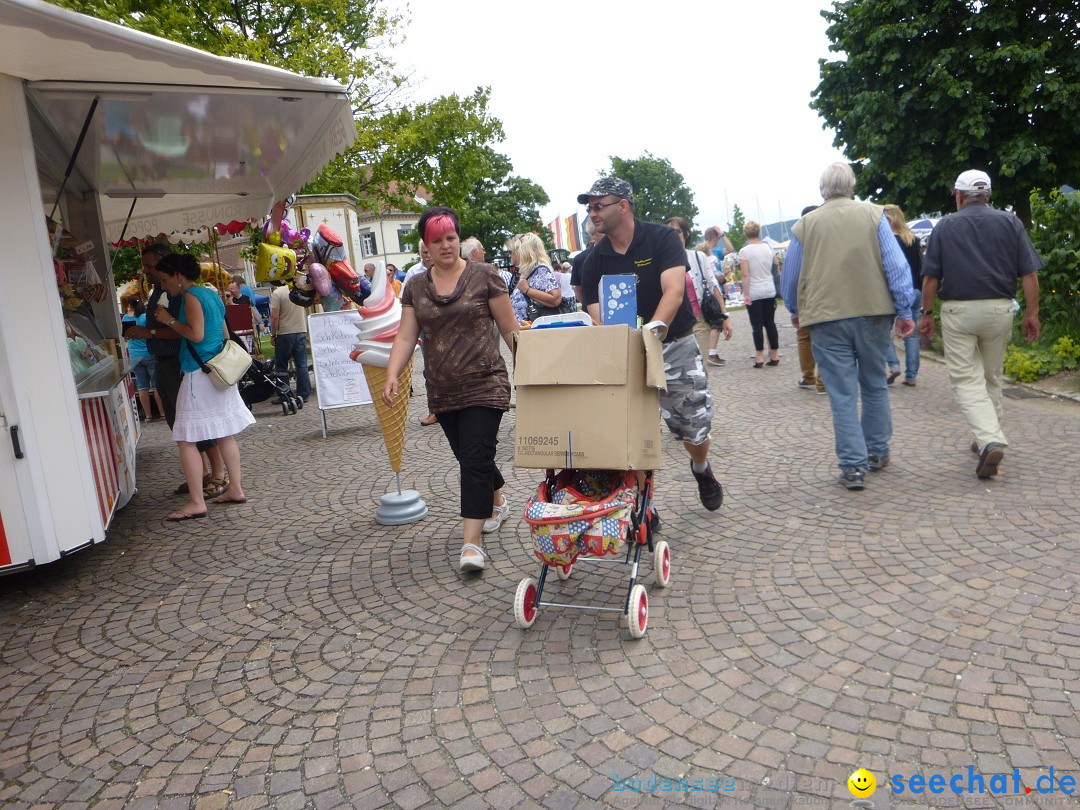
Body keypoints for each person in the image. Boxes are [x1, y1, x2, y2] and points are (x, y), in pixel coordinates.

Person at [381, 206, 519, 573]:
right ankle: (499, 501)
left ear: (459, 239)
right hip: (443, 389)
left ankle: (470, 545)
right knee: (470, 457)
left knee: (474, 459)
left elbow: (510, 329)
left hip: (485, 383)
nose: (445, 245)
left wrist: (531, 371)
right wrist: (393, 372)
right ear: (425, 246)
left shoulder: (485, 276)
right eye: (437, 240)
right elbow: (407, 334)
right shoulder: (414, 286)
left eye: (451, 238)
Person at [579, 177, 723, 511]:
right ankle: (644, 508)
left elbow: (673, 290)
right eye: (590, 208)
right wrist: (622, 346)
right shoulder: (594, 260)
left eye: (599, 206)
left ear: (623, 206)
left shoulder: (661, 239)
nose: (593, 213)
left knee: (694, 429)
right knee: (633, 432)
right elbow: (595, 313)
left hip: (673, 344)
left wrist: (653, 334)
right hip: (626, 356)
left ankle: (701, 467)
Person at [781, 163, 915, 491]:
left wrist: (795, 308)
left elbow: (791, 276)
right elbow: (896, 266)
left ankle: (853, 467)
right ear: (852, 186)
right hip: (873, 312)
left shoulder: (805, 225)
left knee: (841, 393)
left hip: (826, 317)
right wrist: (904, 310)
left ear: (822, 189)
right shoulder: (874, 216)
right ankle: (877, 451)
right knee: (874, 383)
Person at [919, 169, 1042, 479]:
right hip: (1000, 309)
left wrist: (927, 315)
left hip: (959, 312)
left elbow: (931, 277)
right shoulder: (1011, 222)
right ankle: (987, 437)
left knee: (966, 380)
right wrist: (1032, 314)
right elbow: (1029, 274)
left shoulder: (945, 226)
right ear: (987, 195)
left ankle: (989, 439)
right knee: (991, 376)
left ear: (958, 196)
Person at [153, 253, 254, 519]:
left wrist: (169, 321)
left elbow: (195, 335)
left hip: (199, 373)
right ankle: (235, 488)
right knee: (224, 433)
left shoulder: (190, 296)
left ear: (177, 275)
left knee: (186, 439)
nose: (163, 286)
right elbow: (218, 332)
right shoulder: (211, 293)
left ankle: (197, 501)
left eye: (164, 279)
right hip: (218, 370)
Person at [127, 244, 226, 497]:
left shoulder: (183, 294)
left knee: (196, 422)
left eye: (150, 265)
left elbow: (190, 331)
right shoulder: (161, 289)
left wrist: (151, 331)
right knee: (179, 422)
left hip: (179, 362)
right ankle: (203, 474)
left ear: (170, 268)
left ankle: (218, 474)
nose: (146, 270)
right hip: (164, 361)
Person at [664, 216, 732, 370]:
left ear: (686, 234)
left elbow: (713, 286)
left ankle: (702, 394)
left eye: (677, 232)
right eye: (668, 232)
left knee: (700, 368)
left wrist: (725, 317)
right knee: (681, 369)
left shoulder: (697, 257)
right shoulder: (662, 260)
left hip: (698, 321)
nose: (673, 236)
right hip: (674, 324)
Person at [882, 205, 923, 386]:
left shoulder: (886, 240)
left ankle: (894, 365)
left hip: (893, 291)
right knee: (911, 335)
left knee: (884, 333)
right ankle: (911, 376)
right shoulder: (912, 239)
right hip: (915, 289)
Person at [792, 205, 825, 393]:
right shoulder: (826, 239)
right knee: (823, 336)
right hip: (824, 294)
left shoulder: (799, 240)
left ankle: (809, 376)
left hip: (805, 296)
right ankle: (822, 380)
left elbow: (792, 276)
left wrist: (792, 305)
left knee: (805, 337)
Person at [740, 221, 781, 368]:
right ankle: (775, 354)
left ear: (746, 233)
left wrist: (746, 293)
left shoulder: (744, 251)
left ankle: (759, 357)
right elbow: (776, 264)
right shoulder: (768, 248)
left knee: (756, 325)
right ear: (759, 232)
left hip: (755, 291)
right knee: (770, 323)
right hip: (769, 289)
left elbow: (745, 274)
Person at [122, 297, 165, 421]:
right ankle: (162, 413)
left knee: (142, 387)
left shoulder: (126, 318)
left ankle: (148, 416)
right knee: (156, 385)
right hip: (149, 353)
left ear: (129, 305)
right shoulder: (145, 318)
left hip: (135, 356)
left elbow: (125, 337)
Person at [270, 279, 312, 403]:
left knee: (281, 366)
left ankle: (285, 395)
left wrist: (273, 334)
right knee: (302, 365)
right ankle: (303, 394)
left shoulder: (278, 293)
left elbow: (274, 317)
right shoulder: (299, 291)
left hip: (285, 332)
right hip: (300, 330)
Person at [508, 232, 561, 323]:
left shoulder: (540, 270)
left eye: (517, 249)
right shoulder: (529, 271)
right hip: (529, 331)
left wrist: (527, 290)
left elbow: (555, 298)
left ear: (525, 251)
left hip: (537, 332)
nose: (510, 255)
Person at [570, 219, 600, 304]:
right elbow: (578, 289)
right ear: (593, 234)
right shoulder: (580, 259)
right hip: (591, 309)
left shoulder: (618, 252)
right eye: (603, 232)